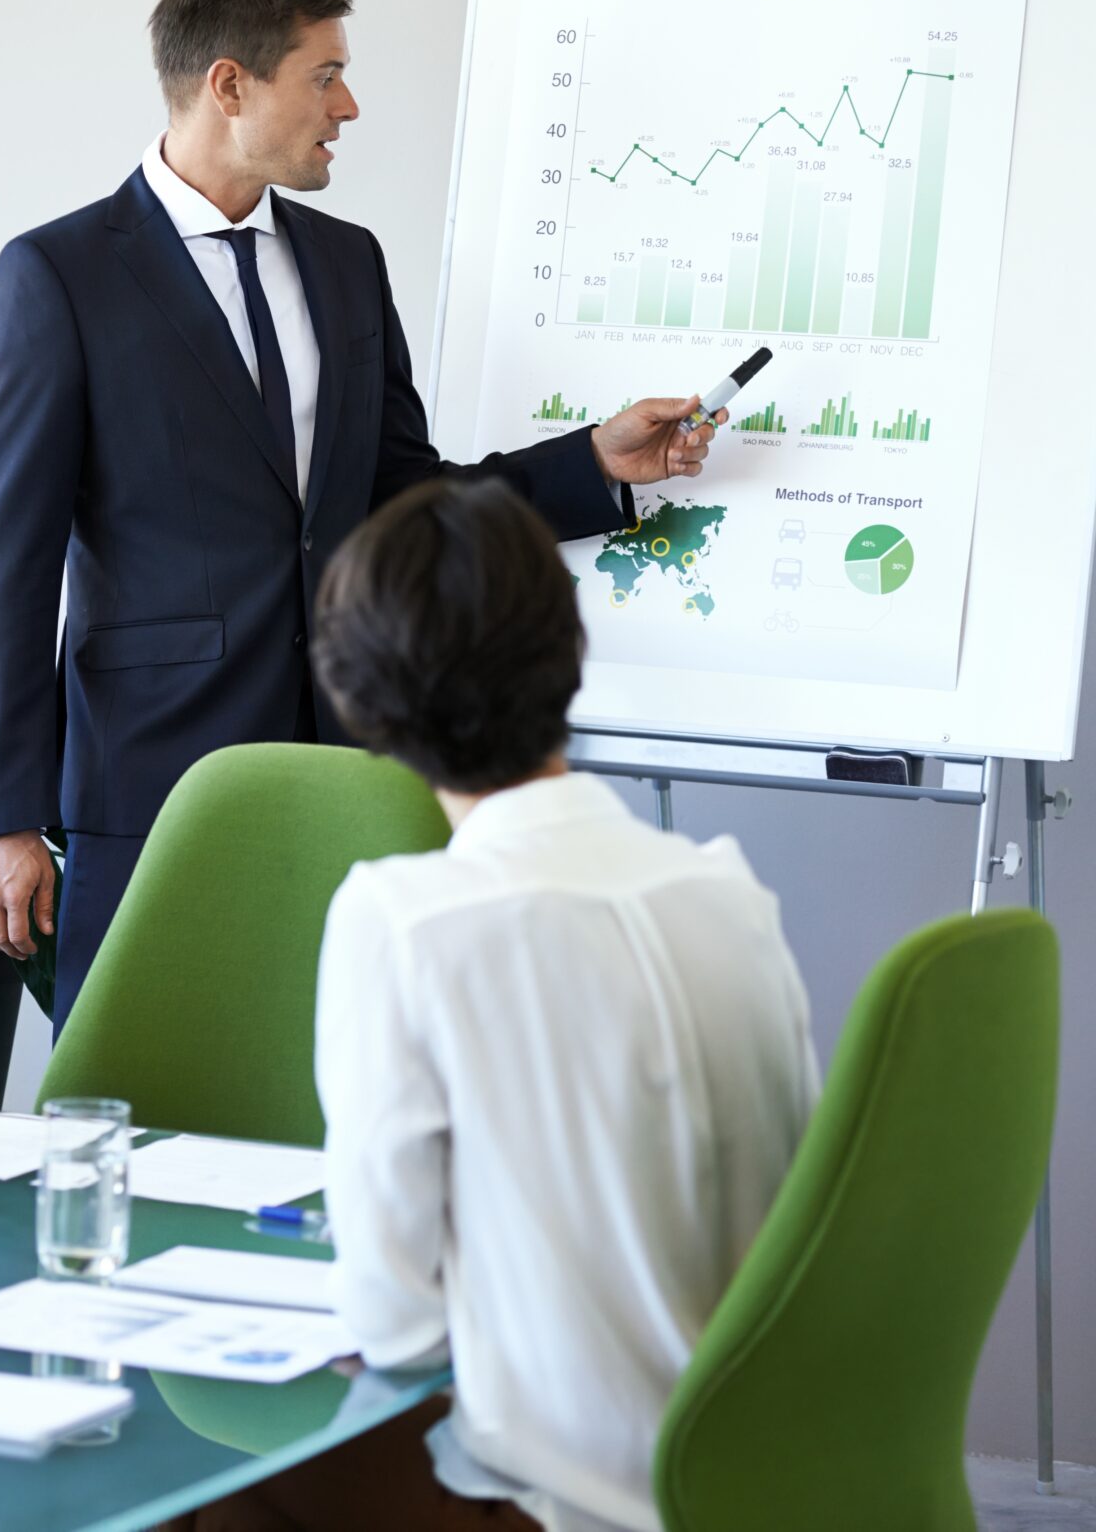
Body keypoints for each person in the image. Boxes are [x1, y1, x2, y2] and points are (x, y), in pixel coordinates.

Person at [0, 0, 728, 1026]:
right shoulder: (59, 275)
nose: (349, 103)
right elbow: (9, 559)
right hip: (155, 785)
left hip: (358, 771)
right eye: (324, 74)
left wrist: (593, 460)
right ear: (230, 83)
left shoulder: (345, 262)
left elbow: (409, 498)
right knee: (143, 1105)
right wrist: (3, 813)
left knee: (349, 1097)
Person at [207, 478, 818, 1532]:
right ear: (569, 649)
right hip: (758, 1481)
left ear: (362, 699)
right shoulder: (728, 890)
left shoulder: (404, 918)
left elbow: (393, 1323)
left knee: (194, 1487)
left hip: (560, 1499)